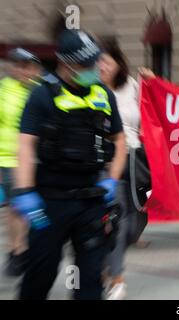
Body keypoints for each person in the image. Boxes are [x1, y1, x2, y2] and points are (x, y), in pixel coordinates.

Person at [11, 30, 127, 300]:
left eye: (94, 62)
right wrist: (25, 191)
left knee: (89, 281)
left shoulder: (104, 96)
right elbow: (26, 145)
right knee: (40, 273)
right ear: (64, 63)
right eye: (84, 64)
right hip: (49, 203)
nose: (92, 69)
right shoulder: (42, 96)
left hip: (92, 200)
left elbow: (119, 141)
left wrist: (111, 179)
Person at [98, 39, 152, 299]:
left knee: (136, 222)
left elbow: (154, 111)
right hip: (108, 161)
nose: (101, 66)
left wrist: (152, 84)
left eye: (106, 61)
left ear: (119, 64)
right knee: (117, 221)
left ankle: (104, 264)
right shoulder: (92, 90)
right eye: (97, 61)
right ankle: (117, 277)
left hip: (137, 160)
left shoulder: (131, 86)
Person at [0, 48, 41, 277]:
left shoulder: (38, 90)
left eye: (27, 66)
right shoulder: (3, 90)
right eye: (18, 66)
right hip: (8, 158)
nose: (23, 71)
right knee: (16, 207)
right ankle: (17, 251)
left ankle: (21, 250)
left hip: (36, 158)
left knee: (27, 207)